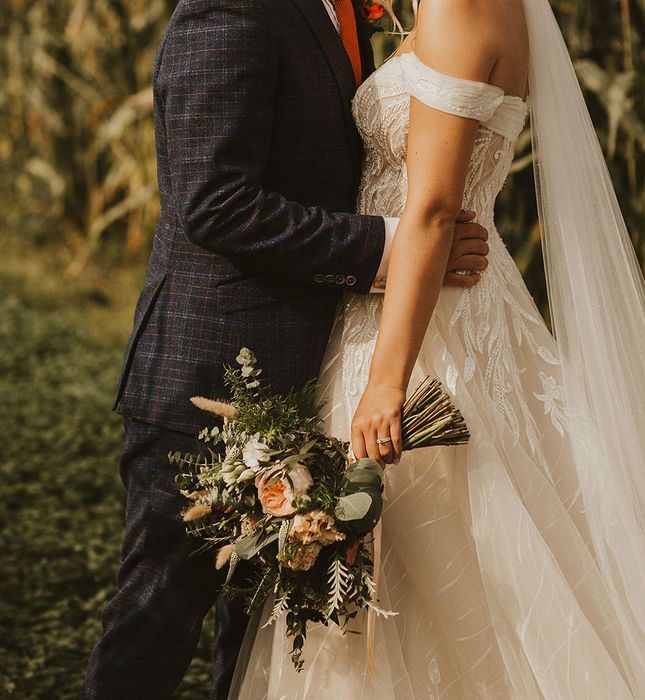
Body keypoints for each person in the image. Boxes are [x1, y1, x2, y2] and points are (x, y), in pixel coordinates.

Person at [227, 0, 645, 697]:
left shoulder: (462, 5)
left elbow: (431, 209)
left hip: (428, 324)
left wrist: (388, 381)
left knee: (451, 554)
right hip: (421, 297)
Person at [79, 0, 489, 697]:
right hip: (211, 370)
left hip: (320, 371)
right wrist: (390, 245)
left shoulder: (344, 11)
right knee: (156, 620)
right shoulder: (229, 7)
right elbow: (214, 200)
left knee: (260, 652)